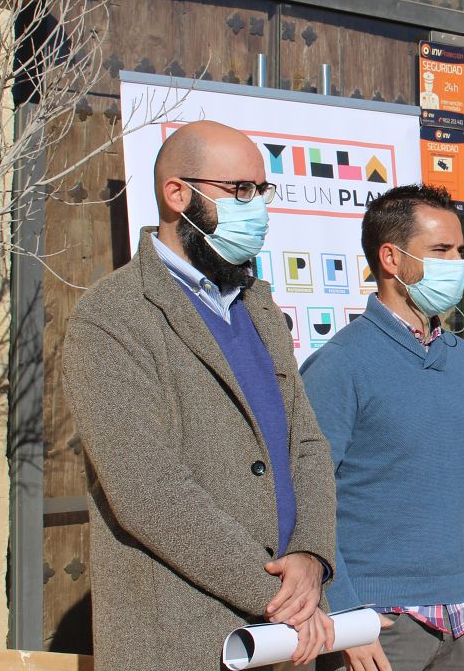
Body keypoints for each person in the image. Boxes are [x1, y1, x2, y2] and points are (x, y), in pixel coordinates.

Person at [62, 120, 337, 671]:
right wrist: (280, 598)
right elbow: (148, 491)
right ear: (176, 193)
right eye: (239, 191)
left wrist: (311, 555)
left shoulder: (258, 306)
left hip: (285, 640)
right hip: (185, 639)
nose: (255, 207)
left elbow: (306, 444)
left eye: (261, 191)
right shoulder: (113, 317)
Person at [301, 184, 464, 671]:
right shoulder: (340, 365)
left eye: (460, 251)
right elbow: (307, 495)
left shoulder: (463, 361)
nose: (456, 263)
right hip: (379, 625)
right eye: (441, 250)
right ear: (391, 257)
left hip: (459, 621)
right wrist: (343, 611)